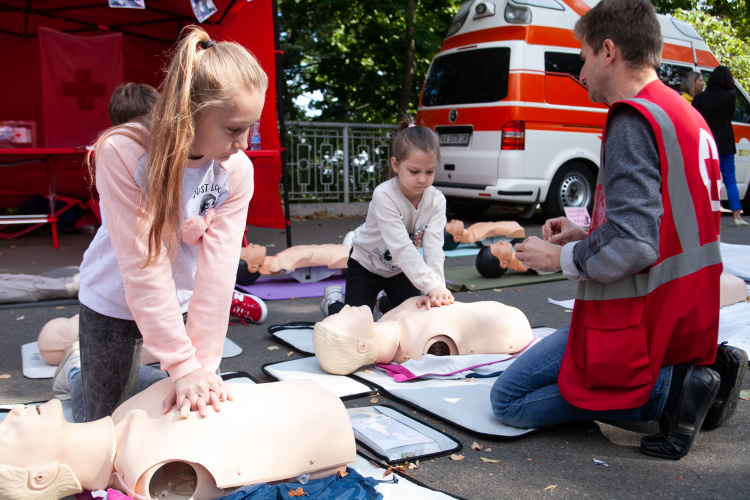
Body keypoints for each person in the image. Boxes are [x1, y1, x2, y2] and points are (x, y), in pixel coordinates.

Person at [491, 0, 748, 461]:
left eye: (585, 57)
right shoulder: (683, 114)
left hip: (636, 315)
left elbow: (635, 242)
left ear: (608, 50)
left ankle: (673, 393)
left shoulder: (632, 119)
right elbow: (664, 220)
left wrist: (559, 258)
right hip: (682, 315)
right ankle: (696, 376)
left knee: (507, 400)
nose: (581, 73)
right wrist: (582, 234)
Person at [76, 25, 268, 424]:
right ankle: (80, 379)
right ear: (190, 111)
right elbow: (143, 265)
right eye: (233, 129)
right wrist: (182, 364)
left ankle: (134, 378)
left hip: (175, 298)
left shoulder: (236, 170)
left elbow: (217, 275)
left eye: (251, 126)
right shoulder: (124, 151)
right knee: (104, 424)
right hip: (110, 300)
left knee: (183, 410)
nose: (245, 143)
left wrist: (203, 366)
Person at [0, 378, 356, 500]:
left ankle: (74, 367)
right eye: (7, 431)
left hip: (315, 409)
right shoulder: (148, 469)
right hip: (324, 423)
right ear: (41, 475)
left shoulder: (125, 419)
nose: (13, 413)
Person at [320, 117, 454, 317]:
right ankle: (333, 302)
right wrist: (430, 285)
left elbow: (434, 250)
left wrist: (436, 290)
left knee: (412, 318)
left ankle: (381, 301)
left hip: (401, 272)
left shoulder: (437, 200)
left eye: (430, 171)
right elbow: (401, 247)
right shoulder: (384, 195)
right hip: (365, 266)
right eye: (414, 171)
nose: (422, 178)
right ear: (396, 165)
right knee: (354, 323)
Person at [313, 296, 533, 375]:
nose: (346, 308)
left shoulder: (390, 319)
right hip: (511, 325)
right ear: (362, 346)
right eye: (342, 316)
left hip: (503, 316)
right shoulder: (419, 347)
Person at [693, 66, 748, 227]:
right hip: (725, 143)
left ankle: (710, 217)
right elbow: (731, 114)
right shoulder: (730, 96)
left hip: (705, 144)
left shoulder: (699, 98)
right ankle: (737, 217)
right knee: (730, 179)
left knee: (708, 180)